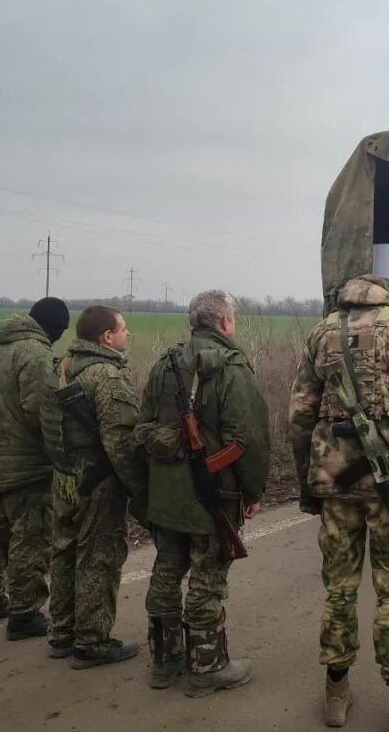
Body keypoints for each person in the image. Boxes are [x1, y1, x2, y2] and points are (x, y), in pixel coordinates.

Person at [289, 274, 389, 731]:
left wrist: (307, 476)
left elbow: (299, 412)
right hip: (388, 483)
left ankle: (336, 697)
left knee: (339, 589)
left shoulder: (321, 332)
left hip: (334, 479)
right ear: (388, 297)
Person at [135, 290, 270, 697]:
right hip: (212, 494)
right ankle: (207, 667)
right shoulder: (230, 366)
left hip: (165, 494)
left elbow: (141, 427)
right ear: (225, 322)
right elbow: (249, 438)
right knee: (208, 574)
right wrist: (252, 490)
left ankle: (165, 660)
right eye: (235, 320)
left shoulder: (165, 363)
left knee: (167, 566)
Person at [42, 306, 148, 669]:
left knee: (65, 552)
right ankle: (92, 641)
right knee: (98, 557)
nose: (128, 334)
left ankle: (62, 633)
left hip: (65, 478)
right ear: (106, 337)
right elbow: (120, 441)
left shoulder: (63, 367)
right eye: (123, 328)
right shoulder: (105, 375)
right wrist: (141, 492)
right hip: (96, 481)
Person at [0, 297, 68, 638]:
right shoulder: (37, 355)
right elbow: (42, 413)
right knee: (31, 539)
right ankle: (25, 614)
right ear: (53, 328)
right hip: (28, 467)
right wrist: (60, 458)